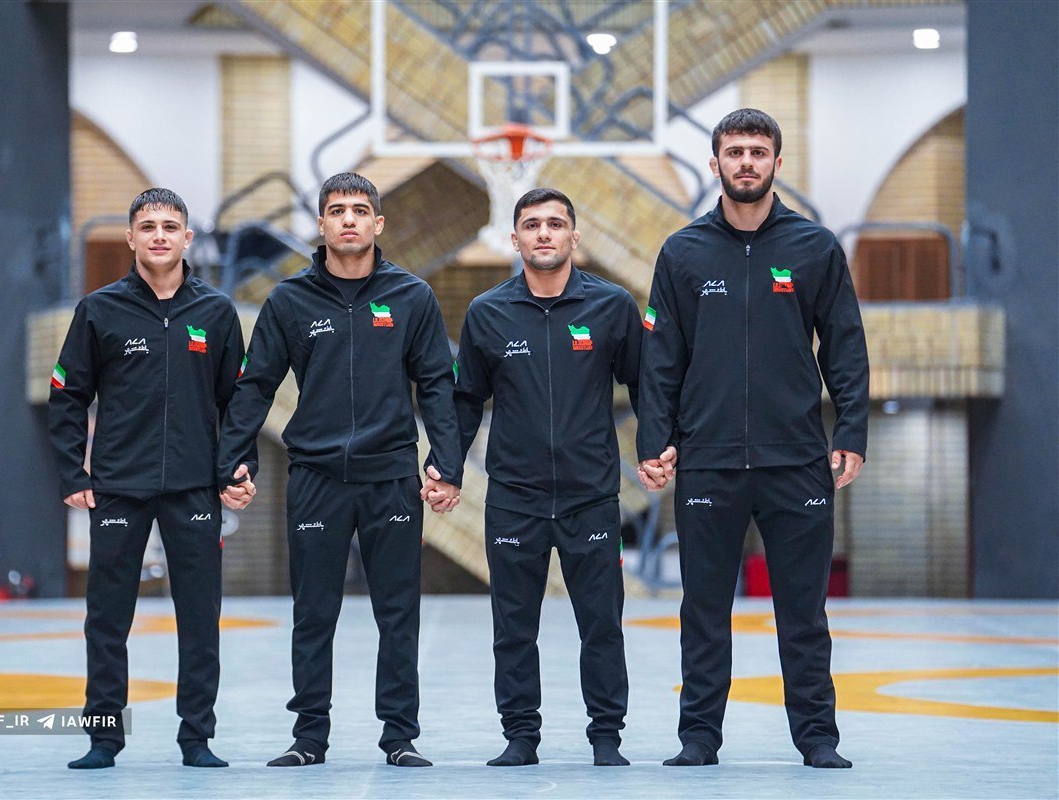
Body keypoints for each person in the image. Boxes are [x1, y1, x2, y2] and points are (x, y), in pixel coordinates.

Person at [636, 108, 869, 769]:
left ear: (777, 163)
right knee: (703, 610)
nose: (746, 162)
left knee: (803, 613)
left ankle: (818, 739)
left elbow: (845, 346)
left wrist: (851, 429)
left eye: (758, 152)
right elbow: (661, 360)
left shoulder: (815, 247)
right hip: (708, 460)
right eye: (735, 151)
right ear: (715, 164)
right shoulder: (682, 253)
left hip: (796, 458)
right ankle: (698, 738)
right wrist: (655, 440)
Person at [216, 172, 462, 768]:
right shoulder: (289, 301)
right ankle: (309, 738)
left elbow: (436, 385)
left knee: (397, 614)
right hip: (317, 478)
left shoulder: (411, 297)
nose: (348, 219)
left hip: (391, 478)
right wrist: (233, 460)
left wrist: (447, 463)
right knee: (313, 614)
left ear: (378, 222)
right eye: (336, 210)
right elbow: (255, 386)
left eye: (359, 210)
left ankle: (399, 736)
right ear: (321, 224)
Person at [424, 188, 640, 767]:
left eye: (555, 223)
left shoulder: (612, 306)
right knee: (514, 629)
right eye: (532, 224)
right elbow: (465, 400)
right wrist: (447, 470)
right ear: (515, 238)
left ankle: (606, 736)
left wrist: (656, 449)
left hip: (591, 496)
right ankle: (521, 737)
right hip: (514, 498)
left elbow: (647, 383)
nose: (544, 233)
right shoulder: (487, 312)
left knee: (602, 625)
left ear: (574, 236)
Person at [48, 188, 253, 769]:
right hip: (119, 487)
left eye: (169, 226)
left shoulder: (216, 313)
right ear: (131, 237)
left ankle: (197, 739)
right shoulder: (99, 310)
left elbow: (238, 404)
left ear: (187, 238)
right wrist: (73, 470)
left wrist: (238, 468)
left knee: (199, 619)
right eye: (148, 226)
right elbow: (67, 395)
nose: (159, 235)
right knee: (107, 620)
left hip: (194, 488)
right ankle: (103, 738)